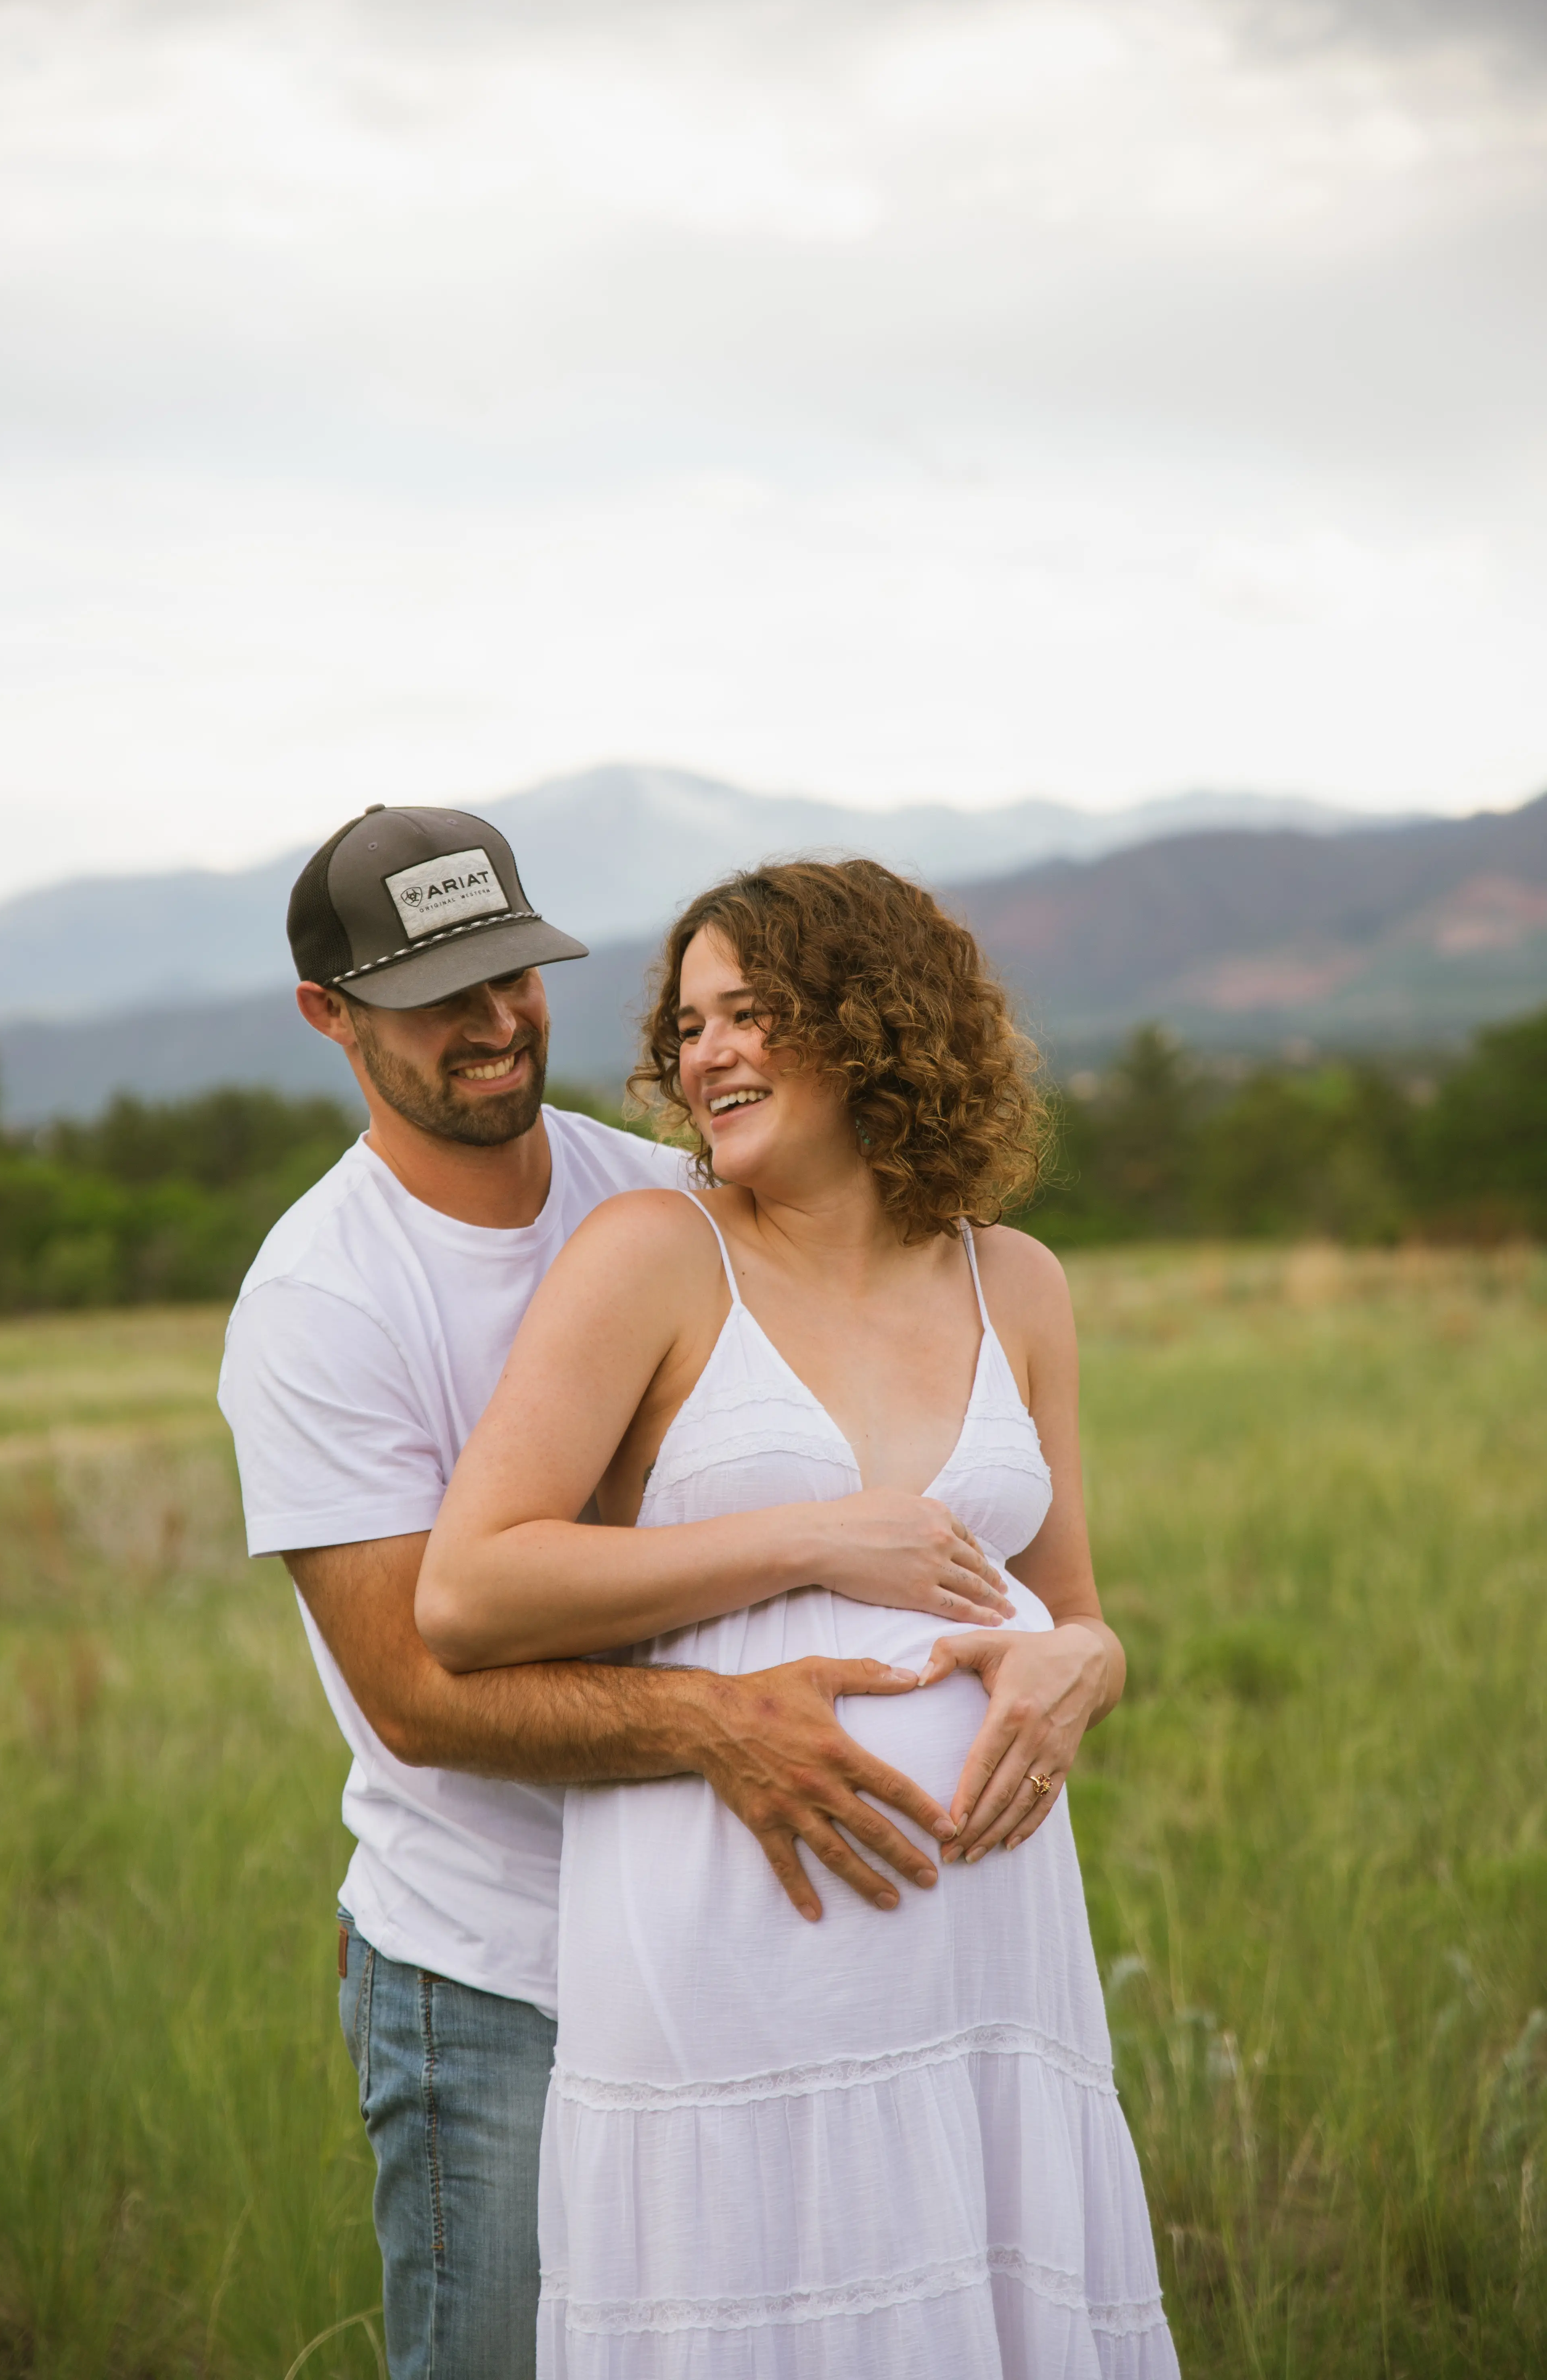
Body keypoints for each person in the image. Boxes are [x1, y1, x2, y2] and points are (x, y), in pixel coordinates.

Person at [219, 807, 1015, 2380]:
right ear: (329, 1014)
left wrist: (1064, 1644)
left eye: (510, 974)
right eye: (434, 995)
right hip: (496, 1971)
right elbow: (415, 1696)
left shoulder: (664, 1197)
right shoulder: (321, 1302)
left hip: (722, 1934)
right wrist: (721, 1726)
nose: (493, 1021)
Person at [419, 858, 1178, 2377]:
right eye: (688, 1025)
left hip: (989, 1966)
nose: (704, 1054)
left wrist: (1079, 1673)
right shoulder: (654, 1255)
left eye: (749, 1012)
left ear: (873, 1023)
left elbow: (1081, 1616)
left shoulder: (1018, 1282)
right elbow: (470, 1590)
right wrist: (813, 1536)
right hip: (738, 1953)